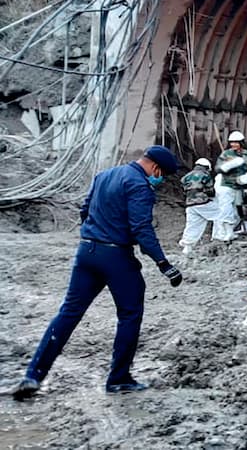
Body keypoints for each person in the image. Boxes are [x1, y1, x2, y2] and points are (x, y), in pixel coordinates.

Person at [12, 146, 183, 400]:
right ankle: (118, 378)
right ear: (156, 169)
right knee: (130, 313)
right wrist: (163, 263)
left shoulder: (104, 175)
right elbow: (141, 228)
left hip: (86, 252)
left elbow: (84, 209)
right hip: (116, 256)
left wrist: (95, 233)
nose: (158, 180)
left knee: (68, 313)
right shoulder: (139, 186)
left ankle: (33, 375)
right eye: (161, 175)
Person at [178, 158, 231, 252]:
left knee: (193, 225)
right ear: (207, 167)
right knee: (220, 214)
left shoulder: (186, 177)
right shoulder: (205, 175)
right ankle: (219, 237)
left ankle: (187, 247)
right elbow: (210, 191)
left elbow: (183, 189)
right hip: (202, 202)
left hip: (190, 204)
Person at [216, 131, 247, 229]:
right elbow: (218, 168)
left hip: (240, 186)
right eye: (232, 142)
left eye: (236, 142)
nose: (233, 144)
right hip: (227, 185)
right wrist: (228, 166)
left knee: (239, 208)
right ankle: (225, 231)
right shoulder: (226, 154)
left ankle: (237, 228)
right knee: (226, 208)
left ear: (241, 143)